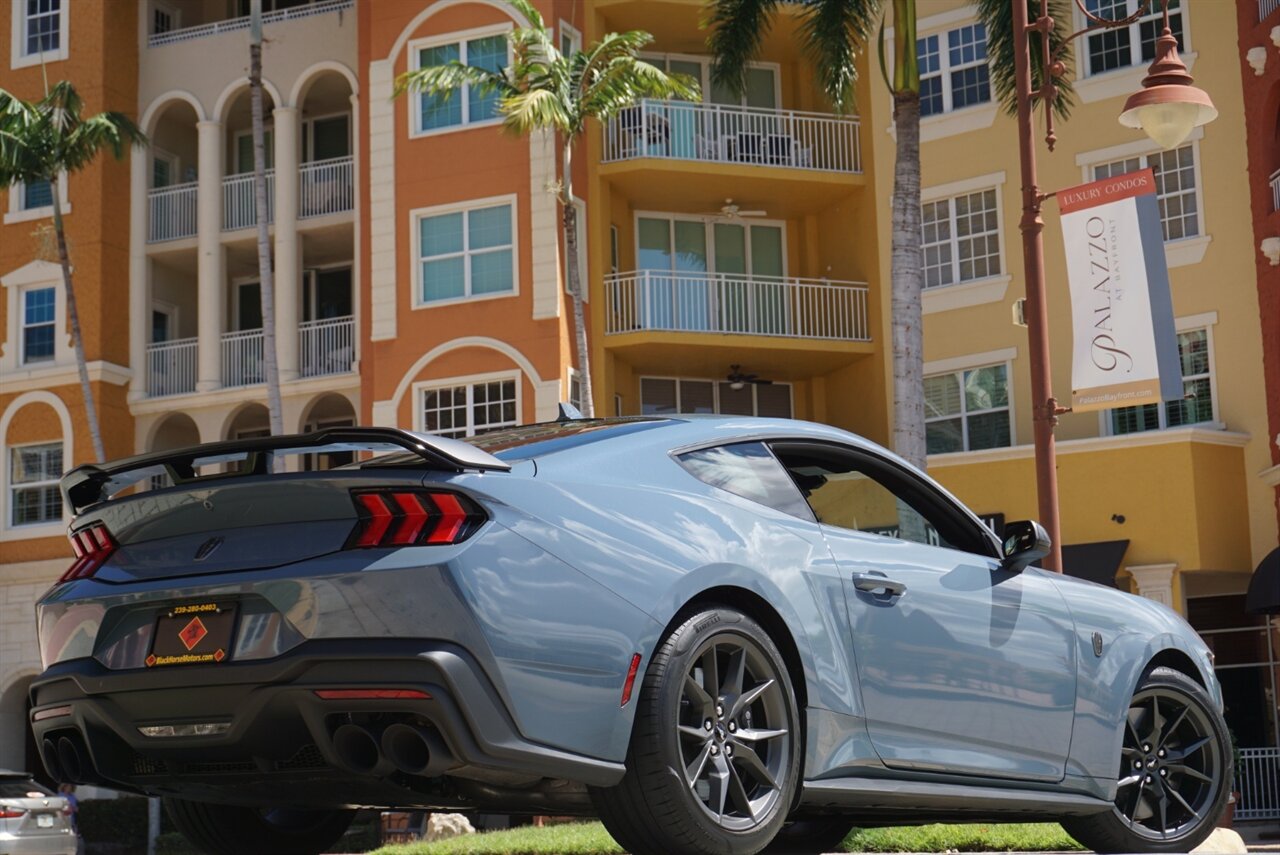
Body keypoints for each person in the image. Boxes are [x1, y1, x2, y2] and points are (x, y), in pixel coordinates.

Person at [58, 784, 82, 855]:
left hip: (71, 820)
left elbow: (75, 808)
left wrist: (75, 808)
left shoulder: (72, 797)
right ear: (64, 787)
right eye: (67, 787)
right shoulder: (60, 795)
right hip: (62, 820)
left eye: (70, 788)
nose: (69, 789)